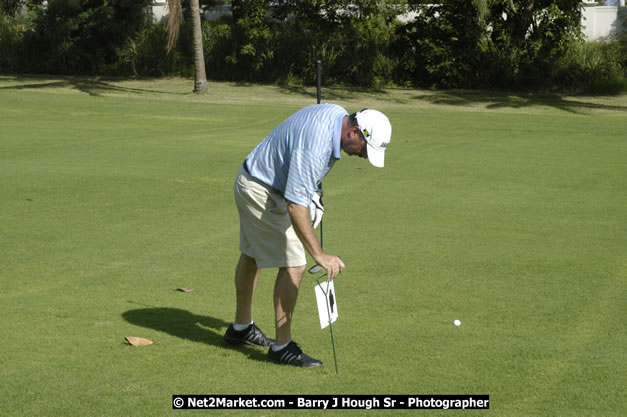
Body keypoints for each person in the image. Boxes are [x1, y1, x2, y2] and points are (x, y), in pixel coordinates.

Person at [223, 104, 391, 367]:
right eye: (365, 149)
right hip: (262, 190)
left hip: (255, 178)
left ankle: (241, 328)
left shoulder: (337, 114)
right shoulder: (316, 146)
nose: (363, 156)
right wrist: (320, 255)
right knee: (295, 264)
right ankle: (282, 347)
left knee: (252, 255)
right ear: (354, 132)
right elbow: (295, 205)